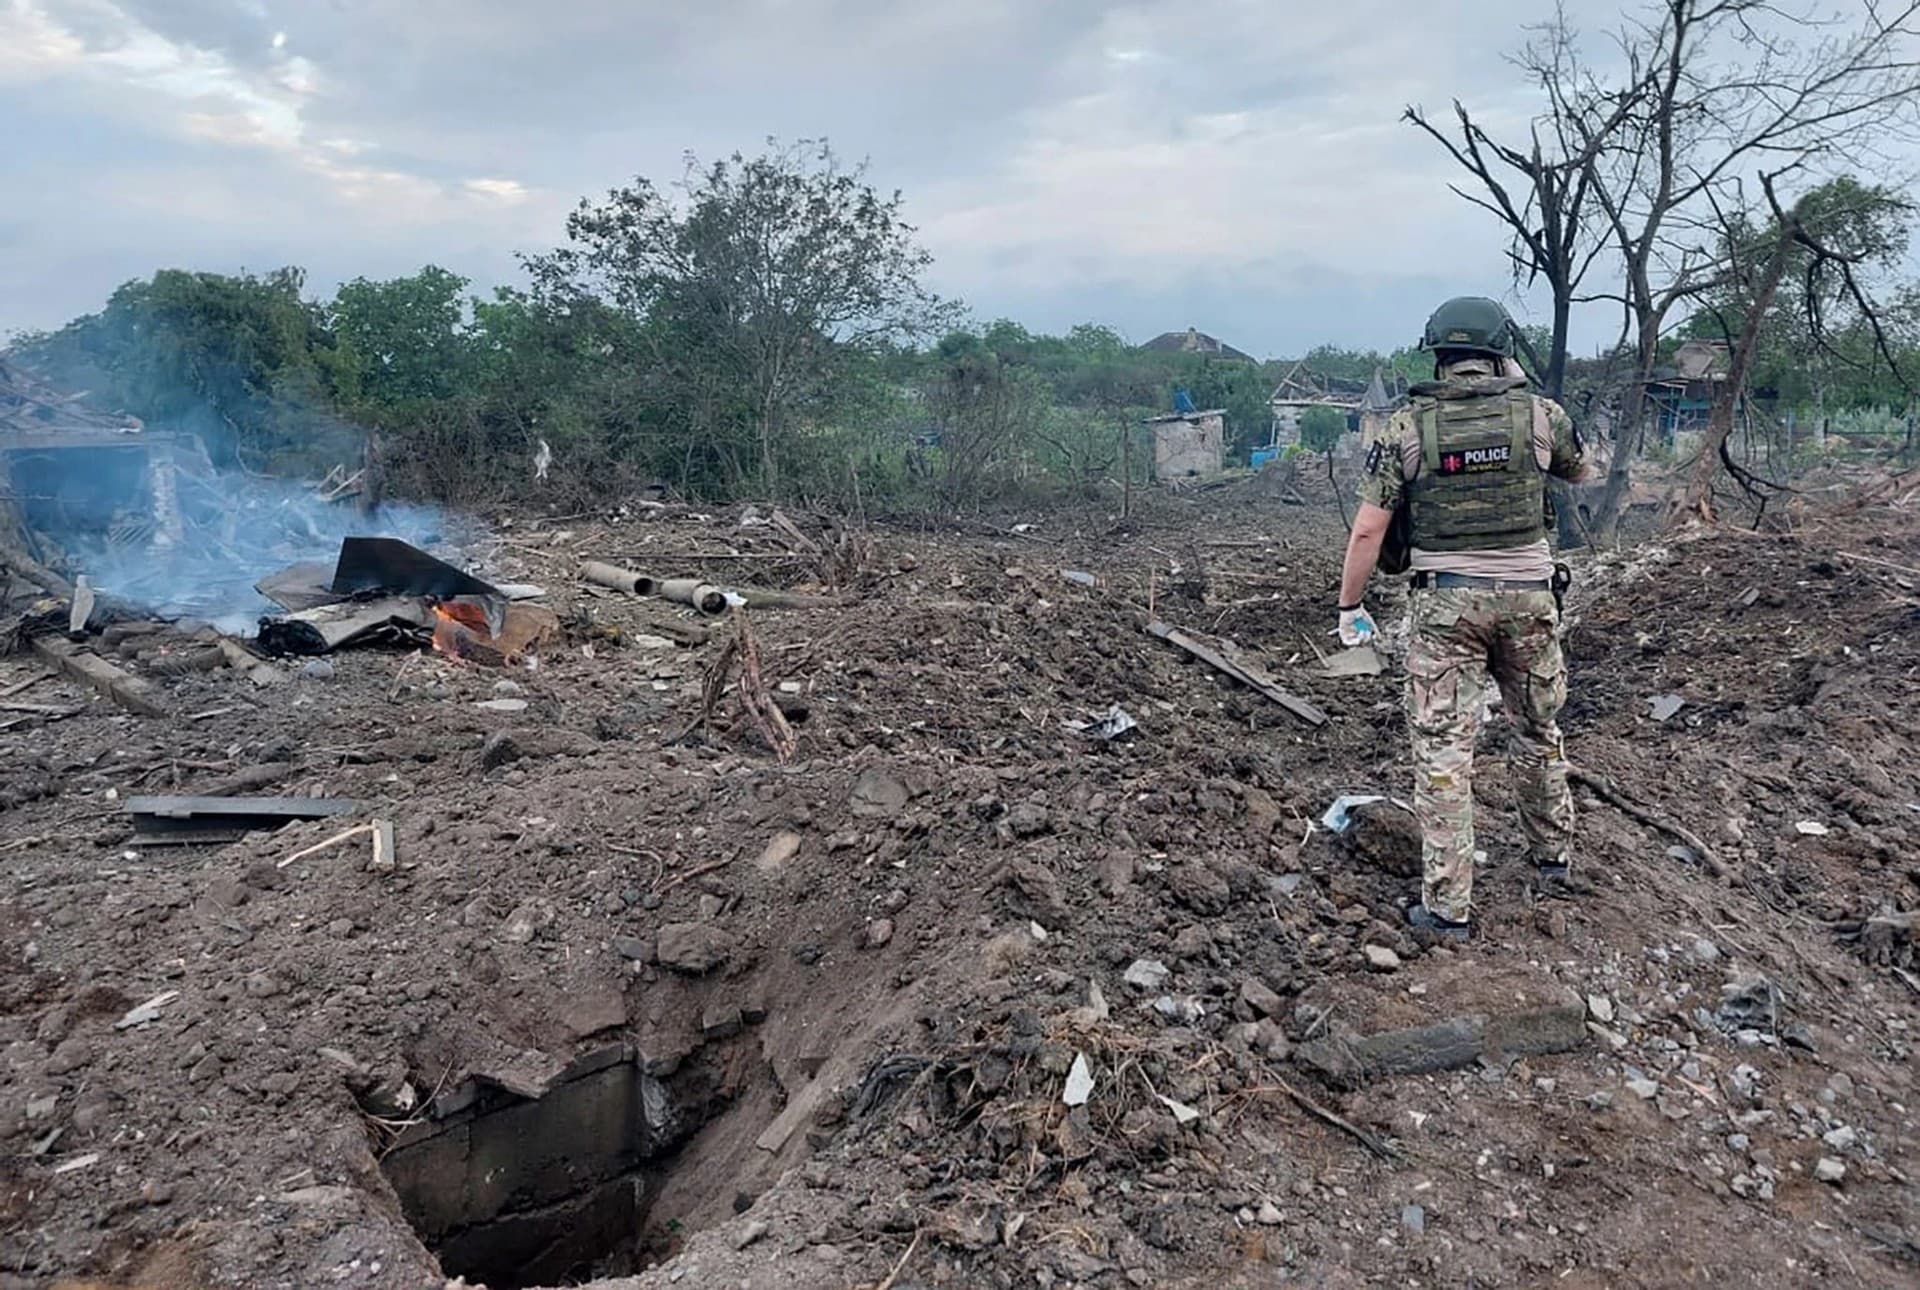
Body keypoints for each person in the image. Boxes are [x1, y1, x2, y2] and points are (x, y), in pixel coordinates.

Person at [1333, 297, 1590, 940]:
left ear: (1439, 356)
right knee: (1537, 729)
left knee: (1445, 753)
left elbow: (1369, 531)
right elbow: (1582, 471)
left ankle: (1448, 908)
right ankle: (1552, 857)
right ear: (1500, 350)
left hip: (1446, 605)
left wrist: (1349, 606)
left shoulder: (1405, 428)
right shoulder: (1541, 415)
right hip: (1531, 598)